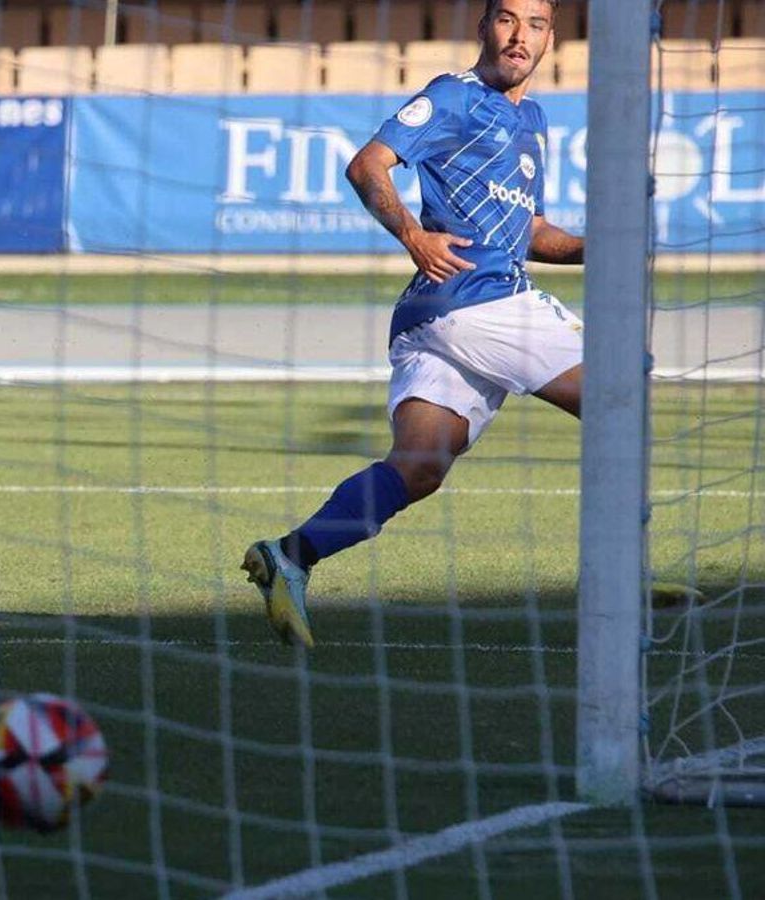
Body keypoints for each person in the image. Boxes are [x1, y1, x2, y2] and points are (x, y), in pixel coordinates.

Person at [243, 0, 584, 648]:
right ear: (484, 27)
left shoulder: (531, 121)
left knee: (420, 466)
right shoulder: (454, 96)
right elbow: (366, 165)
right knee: (621, 396)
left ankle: (292, 554)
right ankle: (627, 577)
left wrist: (601, 245)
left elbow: (532, 231)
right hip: (480, 297)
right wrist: (412, 233)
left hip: (433, 316)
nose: (520, 34)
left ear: (551, 37)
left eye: (536, 23)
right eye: (507, 18)